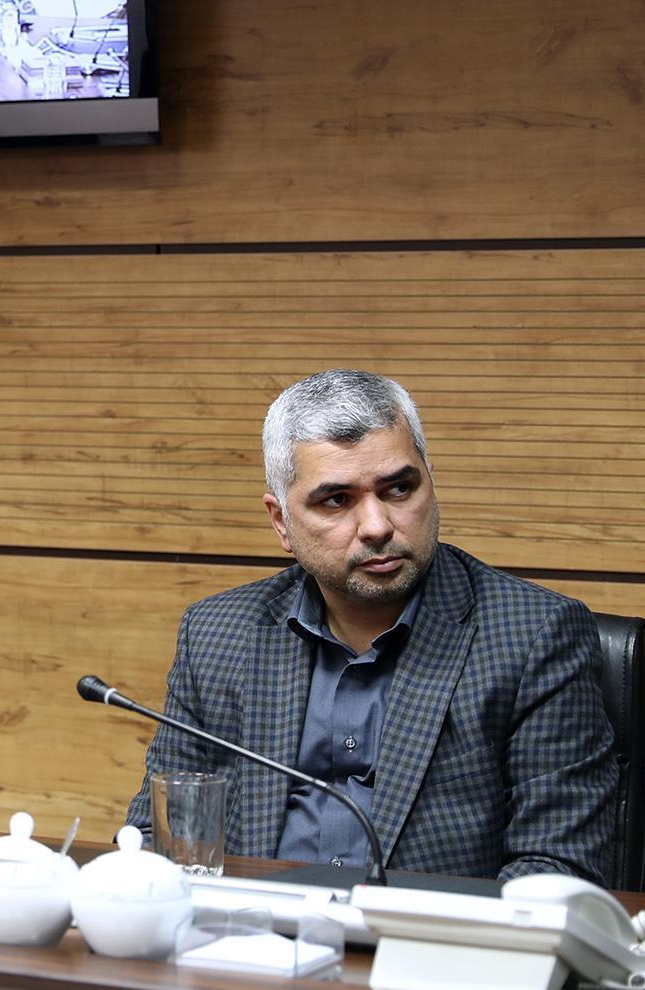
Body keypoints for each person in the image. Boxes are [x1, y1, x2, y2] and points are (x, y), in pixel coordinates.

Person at [124, 369, 617, 883]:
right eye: (337, 500)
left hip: (424, 933)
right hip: (249, 927)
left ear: (430, 483)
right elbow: (163, 837)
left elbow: (556, 873)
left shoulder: (533, 636)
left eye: (399, 489)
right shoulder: (219, 634)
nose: (378, 526)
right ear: (281, 522)